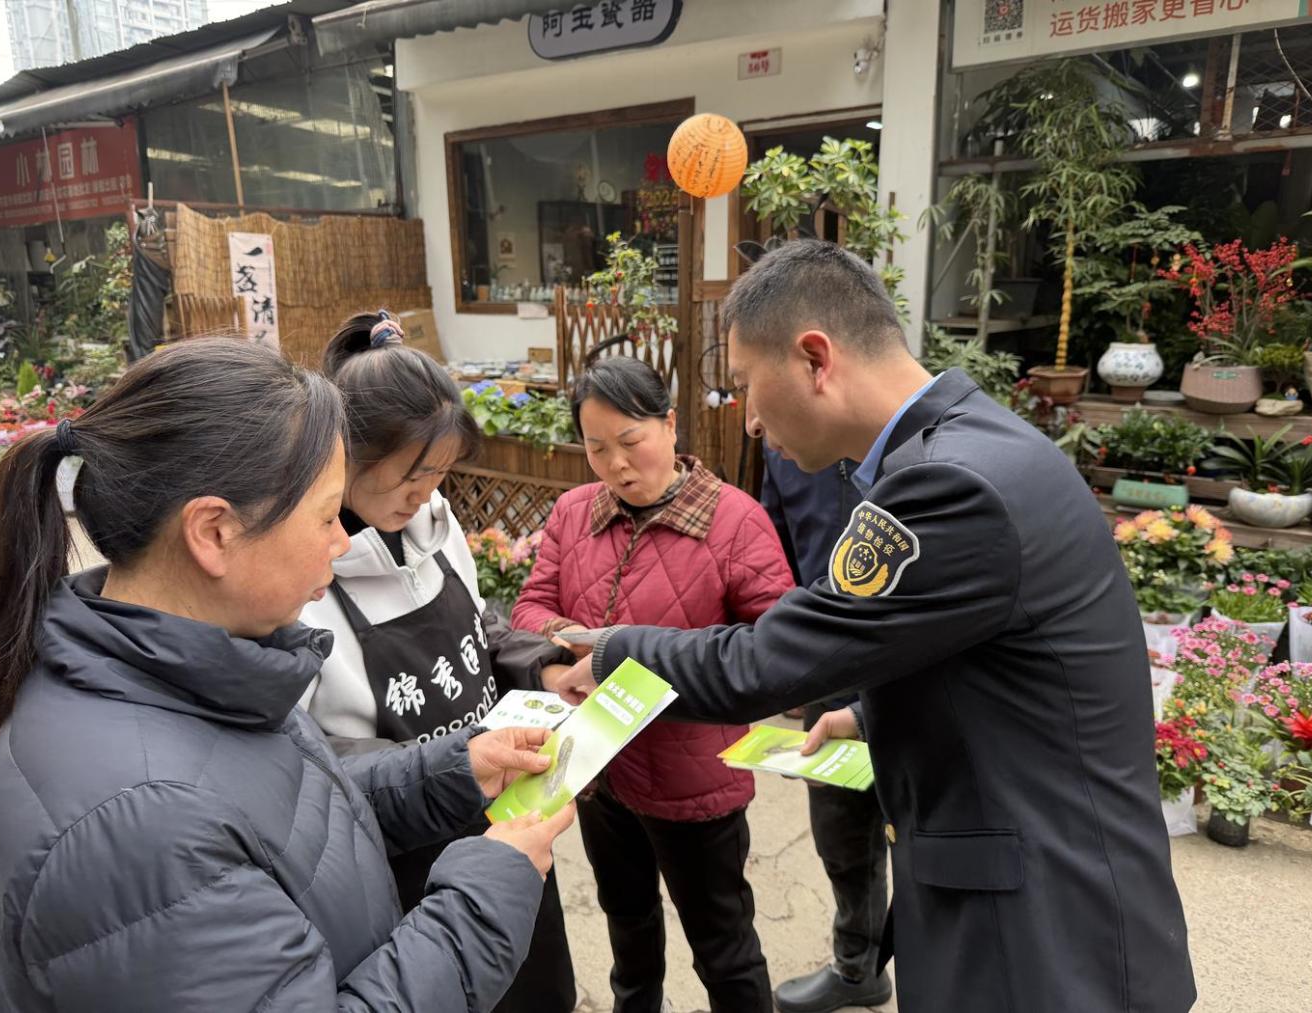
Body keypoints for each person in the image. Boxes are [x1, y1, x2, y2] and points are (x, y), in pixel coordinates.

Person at [555, 241, 1197, 1013]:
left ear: (814, 358)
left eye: (748, 385)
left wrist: (614, 648)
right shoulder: (965, 446)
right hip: (1035, 899)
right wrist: (867, 714)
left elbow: (765, 661)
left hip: (1045, 936)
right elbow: (988, 648)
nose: (749, 420)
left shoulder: (946, 484)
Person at [0, 338, 575, 1012]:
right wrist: (489, 887)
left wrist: (450, 772)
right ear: (214, 532)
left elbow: (290, 810)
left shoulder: (202, 668)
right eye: (325, 516)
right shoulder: (139, 825)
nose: (342, 541)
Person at [299, 311, 577, 1012]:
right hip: (400, 849)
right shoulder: (301, 576)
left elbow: (479, 627)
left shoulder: (436, 525)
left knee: (537, 982)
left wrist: (543, 667)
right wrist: (446, 769)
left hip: (502, 811)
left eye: (440, 472)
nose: (424, 491)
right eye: (411, 474)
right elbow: (310, 755)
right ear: (346, 455)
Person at [512, 353, 794, 1013]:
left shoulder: (735, 521)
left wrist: (636, 661)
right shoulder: (575, 511)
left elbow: (776, 649)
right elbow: (530, 608)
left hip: (694, 779)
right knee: (626, 923)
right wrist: (562, 658)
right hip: (598, 767)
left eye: (630, 440)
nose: (615, 464)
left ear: (669, 425)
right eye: (596, 448)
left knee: (723, 945)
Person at [759, 448, 892, 1013]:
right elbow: (778, 555)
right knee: (842, 839)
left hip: (918, 669)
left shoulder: (917, 446)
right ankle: (858, 968)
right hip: (829, 672)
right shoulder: (783, 448)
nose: (755, 426)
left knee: (936, 841)